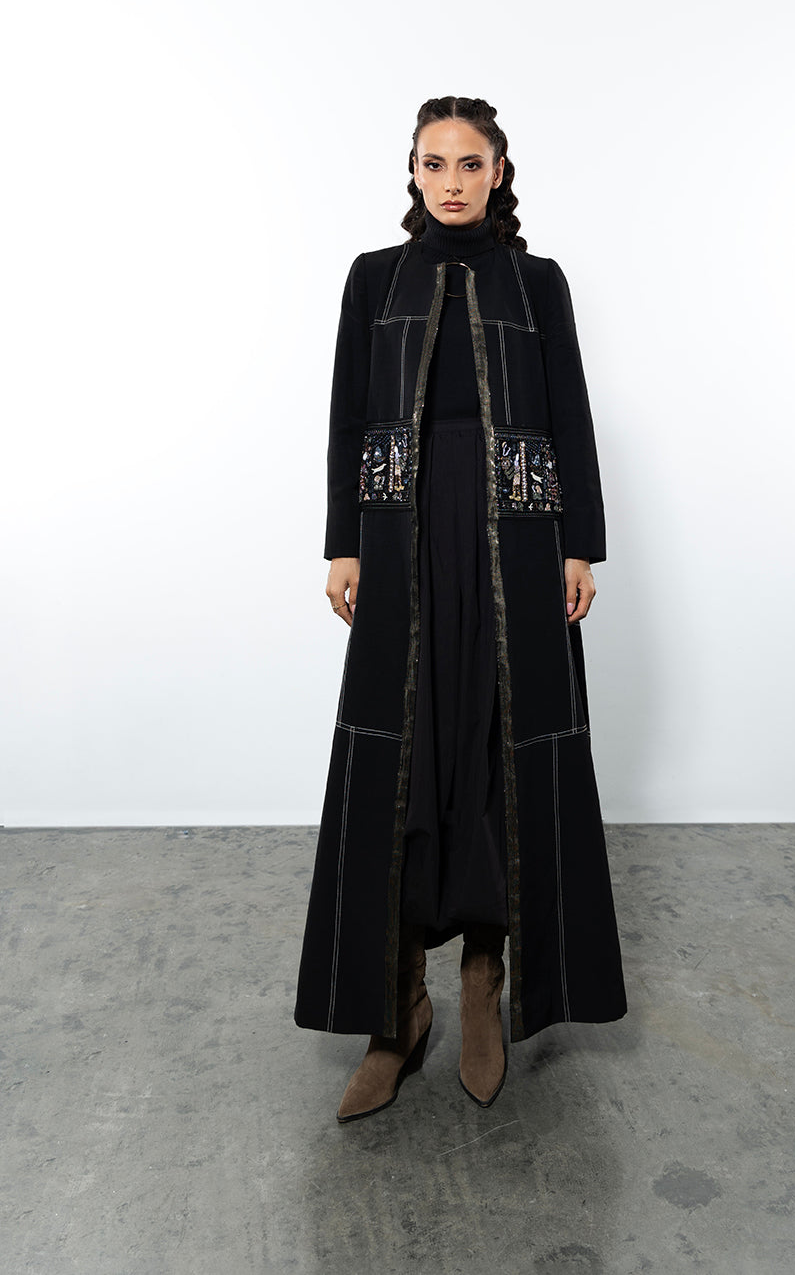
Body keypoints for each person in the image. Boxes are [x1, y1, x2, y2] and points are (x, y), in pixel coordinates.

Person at [294, 96, 626, 1123]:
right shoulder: (372, 278)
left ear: (497, 173)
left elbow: (568, 412)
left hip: (515, 544)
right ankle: (397, 1013)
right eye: (433, 162)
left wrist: (579, 543)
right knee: (403, 757)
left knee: (494, 751)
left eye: (468, 163)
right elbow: (348, 413)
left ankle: (484, 984)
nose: (450, 180)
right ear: (412, 171)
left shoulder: (536, 282)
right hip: (401, 541)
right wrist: (343, 540)